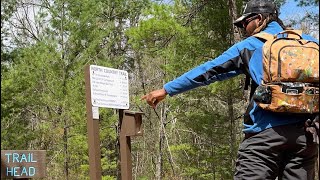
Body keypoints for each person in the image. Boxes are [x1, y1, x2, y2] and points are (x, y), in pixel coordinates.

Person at [141, 0, 319, 179]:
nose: (243, 28)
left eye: (245, 23)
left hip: (264, 135)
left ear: (258, 19)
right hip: (305, 136)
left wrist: (167, 89)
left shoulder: (251, 45)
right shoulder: (311, 43)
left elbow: (209, 71)